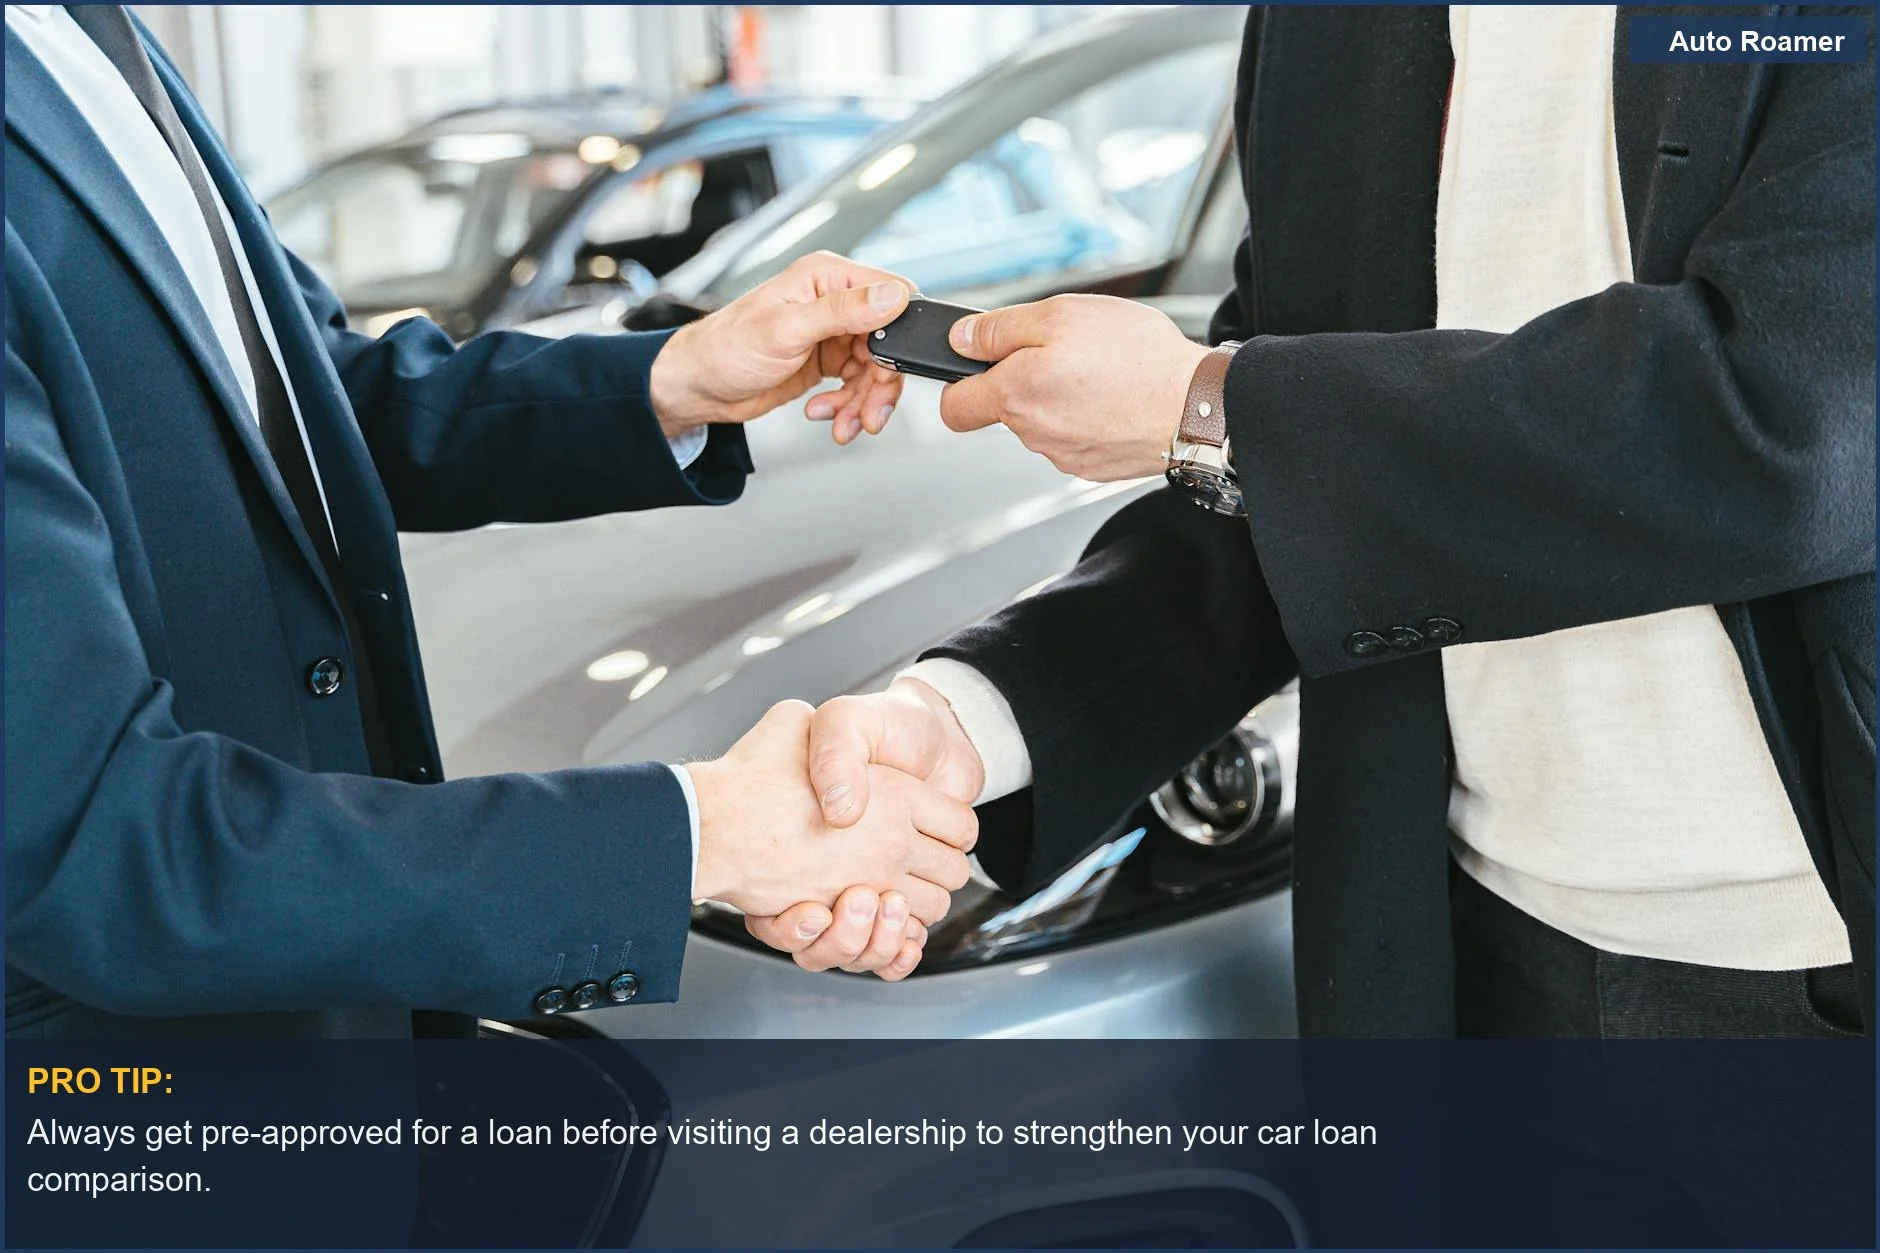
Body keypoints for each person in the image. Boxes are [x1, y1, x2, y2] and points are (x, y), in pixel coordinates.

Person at [755, 4, 1876, 1037]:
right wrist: (968, 721)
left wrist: (1207, 405)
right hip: (1461, 950)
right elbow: (1295, 490)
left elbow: (1797, 419)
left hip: (1820, 965)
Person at [4, 3, 965, 1040]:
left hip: (322, 1035)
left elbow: (306, 398)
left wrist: (673, 376)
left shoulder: (92, 30)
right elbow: (95, 838)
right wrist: (704, 832)